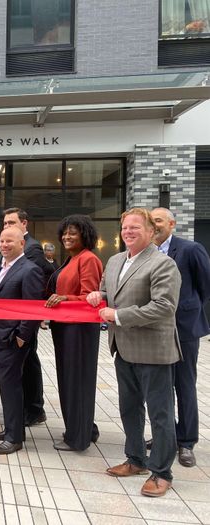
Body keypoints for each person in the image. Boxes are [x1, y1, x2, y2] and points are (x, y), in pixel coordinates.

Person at [87, 208, 181, 498]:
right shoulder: (115, 260)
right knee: (129, 408)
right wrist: (98, 296)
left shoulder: (163, 264)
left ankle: (162, 472)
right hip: (123, 348)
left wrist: (117, 315)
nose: (128, 232)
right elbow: (106, 290)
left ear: (151, 232)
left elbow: (164, 306)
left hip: (153, 350)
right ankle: (136, 460)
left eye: (135, 228)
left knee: (160, 413)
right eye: (125, 227)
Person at [150, 207, 210, 467]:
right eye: (151, 221)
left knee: (184, 385)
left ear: (172, 223)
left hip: (183, 329)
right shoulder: (148, 252)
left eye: (160, 220)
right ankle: (167, 435)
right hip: (154, 330)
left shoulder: (190, 249)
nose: (156, 225)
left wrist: (189, 309)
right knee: (160, 386)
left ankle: (186, 443)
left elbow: (205, 286)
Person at [44, 215, 103, 451]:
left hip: (79, 330)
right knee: (69, 381)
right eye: (65, 233)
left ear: (85, 235)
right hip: (65, 328)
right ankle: (86, 428)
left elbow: (91, 298)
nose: (67, 237)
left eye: (73, 233)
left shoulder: (88, 259)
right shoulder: (72, 259)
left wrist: (65, 298)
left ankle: (77, 438)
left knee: (76, 382)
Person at [0, 227, 43, 454]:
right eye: (1, 241)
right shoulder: (1, 267)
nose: (4, 245)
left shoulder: (30, 270)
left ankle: (14, 438)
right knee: (4, 385)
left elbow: (32, 309)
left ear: (22, 243)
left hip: (12, 340)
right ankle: (13, 427)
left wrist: (21, 337)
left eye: (9, 241)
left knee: (12, 386)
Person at [2, 207, 50, 426]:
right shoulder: (10, 249)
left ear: (24, 224)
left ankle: (34, 409)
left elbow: (35, 285)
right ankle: (27, 408)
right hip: (12, 322)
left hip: (23, 323)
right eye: (5, 224)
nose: (8, 227)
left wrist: (24, 330)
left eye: (12, 223)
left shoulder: (31, 249)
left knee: (28, 365)